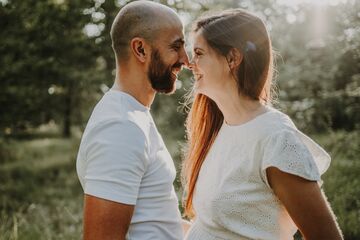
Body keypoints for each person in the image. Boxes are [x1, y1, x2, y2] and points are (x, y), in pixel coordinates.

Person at [182, 9, 343, 240]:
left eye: (198, 53)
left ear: (232, 58)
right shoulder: (221, 130)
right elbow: (213, 229)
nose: (190, 63)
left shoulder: (275, 138)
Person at [76, 1, 189, 239]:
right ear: (140, 49)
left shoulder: (134, 115)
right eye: (176, 47)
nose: (185, 59)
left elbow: (156, 222)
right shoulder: (119, 127)